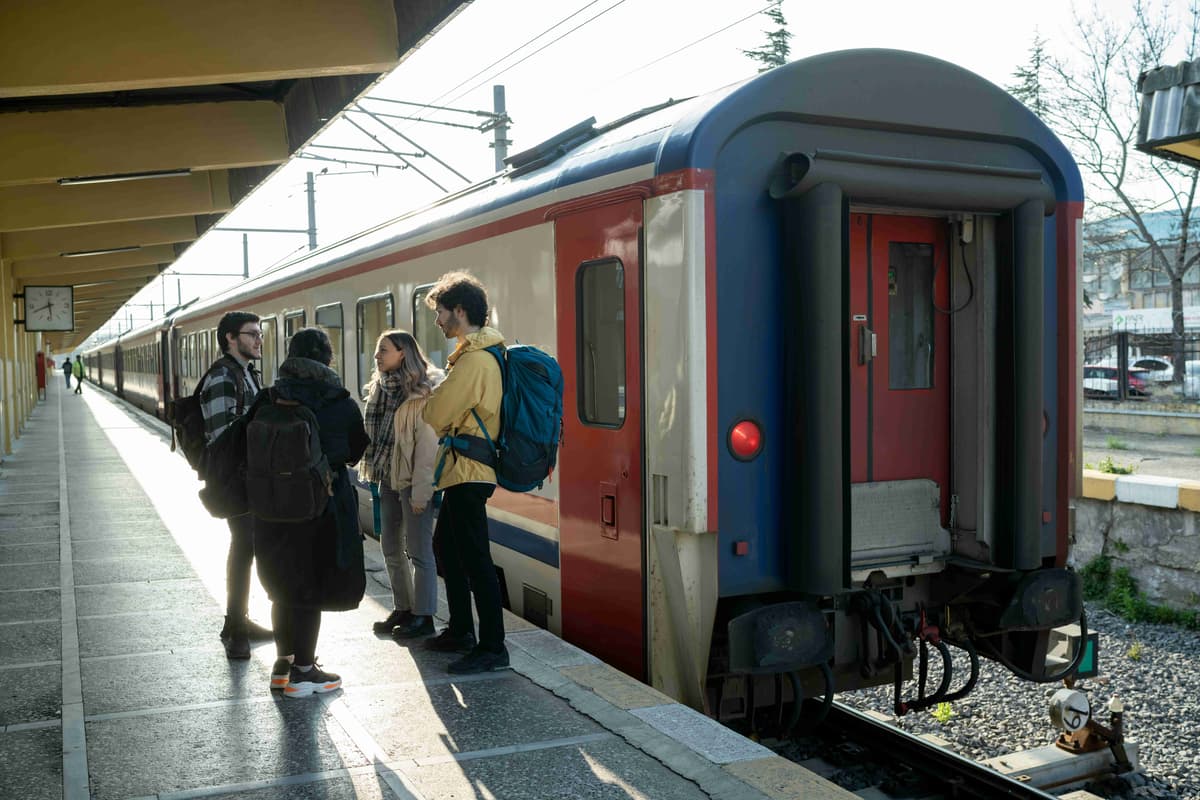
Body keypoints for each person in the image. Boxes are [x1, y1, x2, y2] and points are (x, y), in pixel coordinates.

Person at [251, 327, 368, 697]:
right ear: (327, 359)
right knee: (309, 590)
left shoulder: (269, 398)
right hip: (321, 507)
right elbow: (355, 449)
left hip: (270, 508)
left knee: (282, 588)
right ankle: (304, 671)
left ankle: (282, 666)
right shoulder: (340, 401)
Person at [421, 271, 509, 674]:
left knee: (474, 557)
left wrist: (434, 407)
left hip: (469, 471)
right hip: (463, 470)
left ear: (459, 311)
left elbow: (436, 412)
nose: (438, 321)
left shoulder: (474, 360)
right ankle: (460, 629)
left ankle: (492, 646)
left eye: (440, 313)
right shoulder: (476, 354)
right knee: (448, 549)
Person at [358, 331, 442, 640]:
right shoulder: (379, 390)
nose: (377, 355)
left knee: (420, 551)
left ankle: (425, 616)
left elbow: (427, 450)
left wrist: (422, 492)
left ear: (402, 353)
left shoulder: (423, 394)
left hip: (412, 482)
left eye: (383, 350)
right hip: (387, 479)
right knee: (390, 546)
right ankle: (404, 608)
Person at [200, 311, 272, 659]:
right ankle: (236, 629)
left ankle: (236, 622)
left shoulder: (245, 373)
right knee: (243, 546)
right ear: (231, 338)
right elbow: (220, 436)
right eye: (252, 334)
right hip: (234, 477)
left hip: (249, 475)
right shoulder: (223, 377)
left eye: (260, 334)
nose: (259, 339)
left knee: (246, 547)